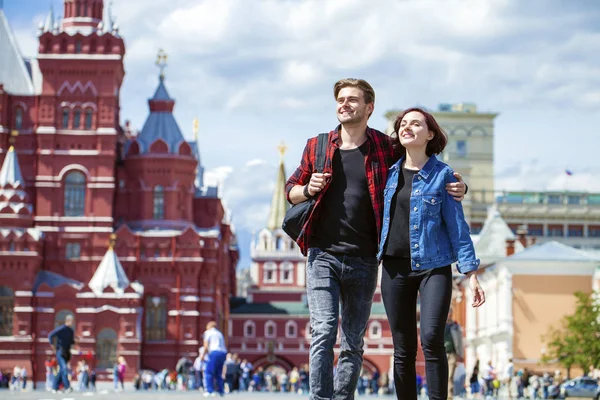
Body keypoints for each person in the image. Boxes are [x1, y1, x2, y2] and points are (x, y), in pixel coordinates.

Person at [285, 78, 466, 400]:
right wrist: (307, 189)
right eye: (340, 99)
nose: (344, 104)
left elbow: (421, 165)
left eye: (353, 99)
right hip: (322, 253)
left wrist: (458, 186)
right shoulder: (318, 145)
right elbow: (291, 191)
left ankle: (342, 397)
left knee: (354, 340)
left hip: (366, 257)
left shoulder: (385, 147)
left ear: (369, 108)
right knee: (324, 330)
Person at [378, 107, 485, 400]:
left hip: (434, 267)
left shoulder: (444, 176)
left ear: (431, 134)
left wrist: (471, 274)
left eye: (416, 123)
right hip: (393, 269)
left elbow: (458, 228)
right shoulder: (385, 174)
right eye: (403, 124)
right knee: (403, 347)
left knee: (432, 338)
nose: (407, 127)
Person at [48, 314, 77, 394]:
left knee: (61, 370)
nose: (73, 323)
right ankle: (67, 387)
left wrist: (75, 341)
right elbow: (50, 335)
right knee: (64, 368)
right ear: (67, 321)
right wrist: (52, 345)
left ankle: (54, 387)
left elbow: (70, 342)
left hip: (67, 353)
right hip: (60, 352)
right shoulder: (61, 329)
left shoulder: (71, 331)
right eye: (72, 321)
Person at [199, 321, 227, 397]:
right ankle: (221, 391)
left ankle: (209, 390)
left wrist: (202, 355)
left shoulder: (208, 332)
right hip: (223, 353)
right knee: (218, 372)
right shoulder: (219, 333)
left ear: (209, 326)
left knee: (208, 372)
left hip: (214, 352)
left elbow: (206, 345)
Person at [445, 307, 464, 399]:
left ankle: (449, 395)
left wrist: (461, 355)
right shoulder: (439, 324)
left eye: (449, 313)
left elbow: (460, 341)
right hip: (441, 353)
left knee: (450, 375)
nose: (448, 314)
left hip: (452, 353)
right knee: (442, 374)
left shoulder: (455, 326)